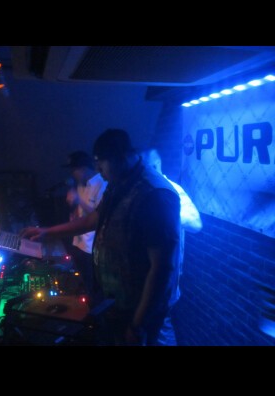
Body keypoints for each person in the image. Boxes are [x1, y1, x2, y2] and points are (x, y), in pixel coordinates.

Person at [21, 129, 181, 346]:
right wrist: (47, 233)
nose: (97, 169)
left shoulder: (155, 195)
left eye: (101, 162)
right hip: (117, 302)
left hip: (136, 309)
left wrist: (138, 324)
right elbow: (93, 219)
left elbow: (162, 268)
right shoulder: (119, 183)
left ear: (122, 158)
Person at [140, 148, 202, 298]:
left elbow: (196, 224)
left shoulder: (173, 190)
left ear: (154, 166)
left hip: (165, 274)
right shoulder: (141, 190)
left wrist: (166, 213)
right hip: (141, 273)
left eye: (141, 168)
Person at [62, 151, 107, 300]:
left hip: (91, 247)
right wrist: (74, 214)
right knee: (85, 282)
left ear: (83, 169)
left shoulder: (101, 183)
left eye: (73, 170)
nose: (72, 174)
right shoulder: (81, 185)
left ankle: (96, 308)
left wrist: (78, 201)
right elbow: (82, 210)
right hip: (78, 242)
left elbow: (98, 216)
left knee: (94, 286)